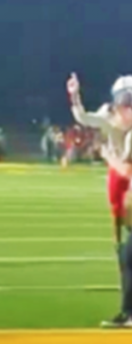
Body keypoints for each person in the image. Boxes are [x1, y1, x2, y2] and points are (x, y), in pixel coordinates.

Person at [68, 73, 132, 247]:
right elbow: (83, 118)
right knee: (117, 209)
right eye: (126, 101)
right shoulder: (107, 115)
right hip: (118, 164)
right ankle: (119, 243)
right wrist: (74, 96)